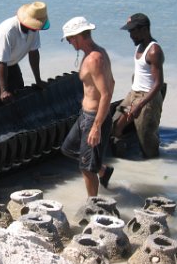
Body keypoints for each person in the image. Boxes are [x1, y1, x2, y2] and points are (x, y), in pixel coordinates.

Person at [60, 16, 115, 196]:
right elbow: (112, 82)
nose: (69, 42)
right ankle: (103, 170)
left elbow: (106, 93)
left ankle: (93, 206)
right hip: (85, 114)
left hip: (93, 118)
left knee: (86, 169)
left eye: (69, 39)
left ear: (78, 36)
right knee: (68, 148)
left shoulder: (94, 59)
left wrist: (97, 126)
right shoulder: (95, 53)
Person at [112, 13, 165, 158]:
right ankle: (122, 159)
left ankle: (153, 171)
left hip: (148, 100)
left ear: (144, 30)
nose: (130, 35)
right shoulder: (139, 46)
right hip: (133, 95)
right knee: (116, 125)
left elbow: (158, 83)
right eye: (129, 31)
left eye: (133, 31)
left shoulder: (154, 51)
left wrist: (140, 105)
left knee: (147, 143)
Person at [0, 1, 50, 104]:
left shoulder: (34, 30)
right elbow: (2, 62)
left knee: (18, 95)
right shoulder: (8, 30)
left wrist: (38, 80)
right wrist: (4, 90)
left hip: (10, 63)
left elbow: (33, 53)